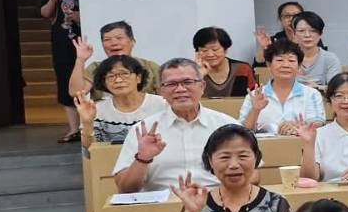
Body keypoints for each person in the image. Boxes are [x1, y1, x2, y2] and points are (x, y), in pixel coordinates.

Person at [170, 124, 289, 212]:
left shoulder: (276, 203)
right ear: (210, 161)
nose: (233, 165)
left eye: (243, 156)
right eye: (224, 157)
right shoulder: (197, 204)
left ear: (256, 159)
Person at [113, 59, 234, 193]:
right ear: (161, 91)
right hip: (162, 204)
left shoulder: (228, 126)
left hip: (216, 201)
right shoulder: (143, 130)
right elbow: (125, 189)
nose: (180, 89)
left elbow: (250, 176)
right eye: (171, 84)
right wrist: (142, 159)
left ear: (202, 86)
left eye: (188, 82)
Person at [74, 54, 168, 149]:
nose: (118, 80)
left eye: (124, 74)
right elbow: (90, 148)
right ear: (104, 83)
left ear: (138, 77)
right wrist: (87, 123)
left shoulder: (162, 104)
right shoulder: (97, 110)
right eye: (111, 76)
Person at [238, 39, 327, 136]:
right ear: (269, 65)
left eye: (291, 60)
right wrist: (255, 110)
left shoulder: (311, 94)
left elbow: (318, 123)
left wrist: (299, 126)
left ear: (299, 66)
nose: (286, 65)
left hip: (301, 144)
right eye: (280, 60)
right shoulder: (254, 96)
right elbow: (243, 131)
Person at [42, 0, 83, 141]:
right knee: (65, 80)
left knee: (87, 78)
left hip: (83, 37)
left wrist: (82, 16)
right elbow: (45, 13)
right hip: (62, 40)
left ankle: (89, 126)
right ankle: (74, 129)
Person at [70, 20, 160, 100]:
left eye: (119, 38)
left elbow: (164, 97)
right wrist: (80, 60)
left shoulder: (150, 67)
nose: (114, 43)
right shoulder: (95, 67)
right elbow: (76, 93)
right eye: (107, 40)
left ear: (132, 41)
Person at [192, 27, 253, 98]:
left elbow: (255, 96)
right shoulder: (192, 72)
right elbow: (188, 98)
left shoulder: (242, 69)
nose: (210, 54)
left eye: (215, 49)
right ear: (197, 52)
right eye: (204, 50)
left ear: (225, 50)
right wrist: (198, 75)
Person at [290, 11, 344, 89]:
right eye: (301, 31)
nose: (307, 35)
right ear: (294, 34)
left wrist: (318, 87)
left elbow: (336, 89)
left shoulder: (330, 58)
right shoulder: (287, 58)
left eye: (313, 31)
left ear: (320, 33)